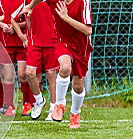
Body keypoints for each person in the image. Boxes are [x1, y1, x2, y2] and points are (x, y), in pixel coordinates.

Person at [20, 0, 93, 128]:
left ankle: (75, 113)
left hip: (81, 47)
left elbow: (88, 30)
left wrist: (66, 18)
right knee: (64, 68)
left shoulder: (83, 2)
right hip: (61, 41)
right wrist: (30, 6)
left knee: (78, 86)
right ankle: (59, 105)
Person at [0, 0, 35, 117]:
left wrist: (16, 26)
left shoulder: (26, 1)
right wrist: (1, 24)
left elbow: (30, 18)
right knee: (7, 76)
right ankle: (9, 105)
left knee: (23, 74)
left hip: (22, 43)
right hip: (5, 42)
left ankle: (27, 103)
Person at [23, 0, 59, 121]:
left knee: (51, 74)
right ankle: (39, 100)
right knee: (29, 72)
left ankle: (53, 108)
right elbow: (25, 16)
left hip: (52, 39)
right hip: (35, 41)